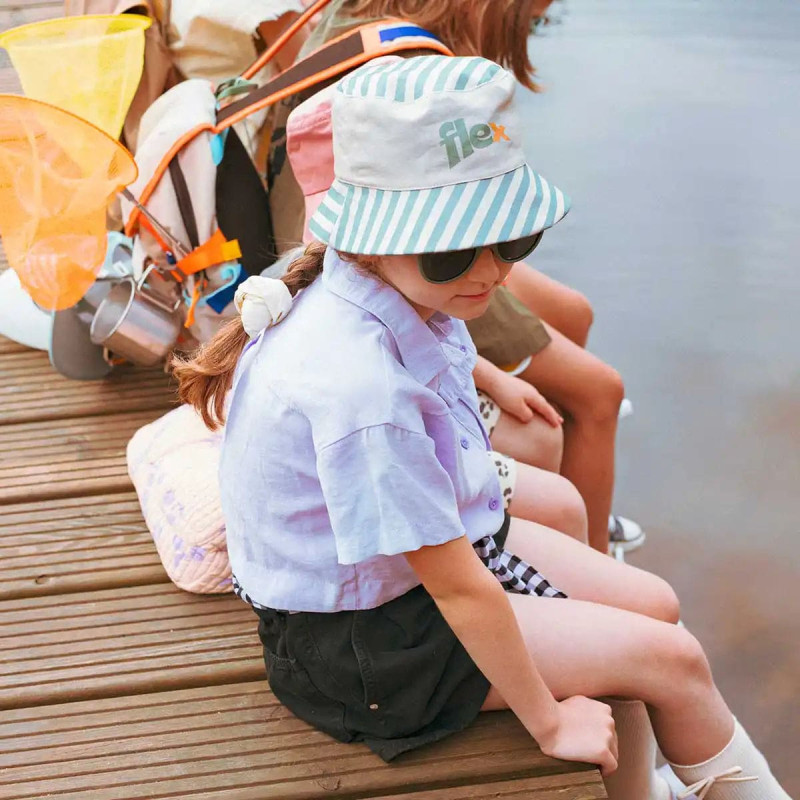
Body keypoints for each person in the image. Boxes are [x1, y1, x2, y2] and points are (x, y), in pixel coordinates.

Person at [174, 57, 790, 799]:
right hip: (369, 645)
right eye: (454, 251)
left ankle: (648, 784)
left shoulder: (387, 287)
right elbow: (460, 590)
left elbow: (439, 369)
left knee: (655, 606)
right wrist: (550, 722)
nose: (492, 271)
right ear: (372, 239)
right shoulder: (362, 391)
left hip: (417, 573)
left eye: (512, 241)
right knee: (673, 661)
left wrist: (489, 373)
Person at [268, 0, 642, 553]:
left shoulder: (358, 18)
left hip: (396, 232)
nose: (532, 28)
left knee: (574, 313)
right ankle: (587, 547)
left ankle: (582, 495)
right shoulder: (413, 79)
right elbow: (426, 238)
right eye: (532, 18)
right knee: (600, 392)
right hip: (400, 250)